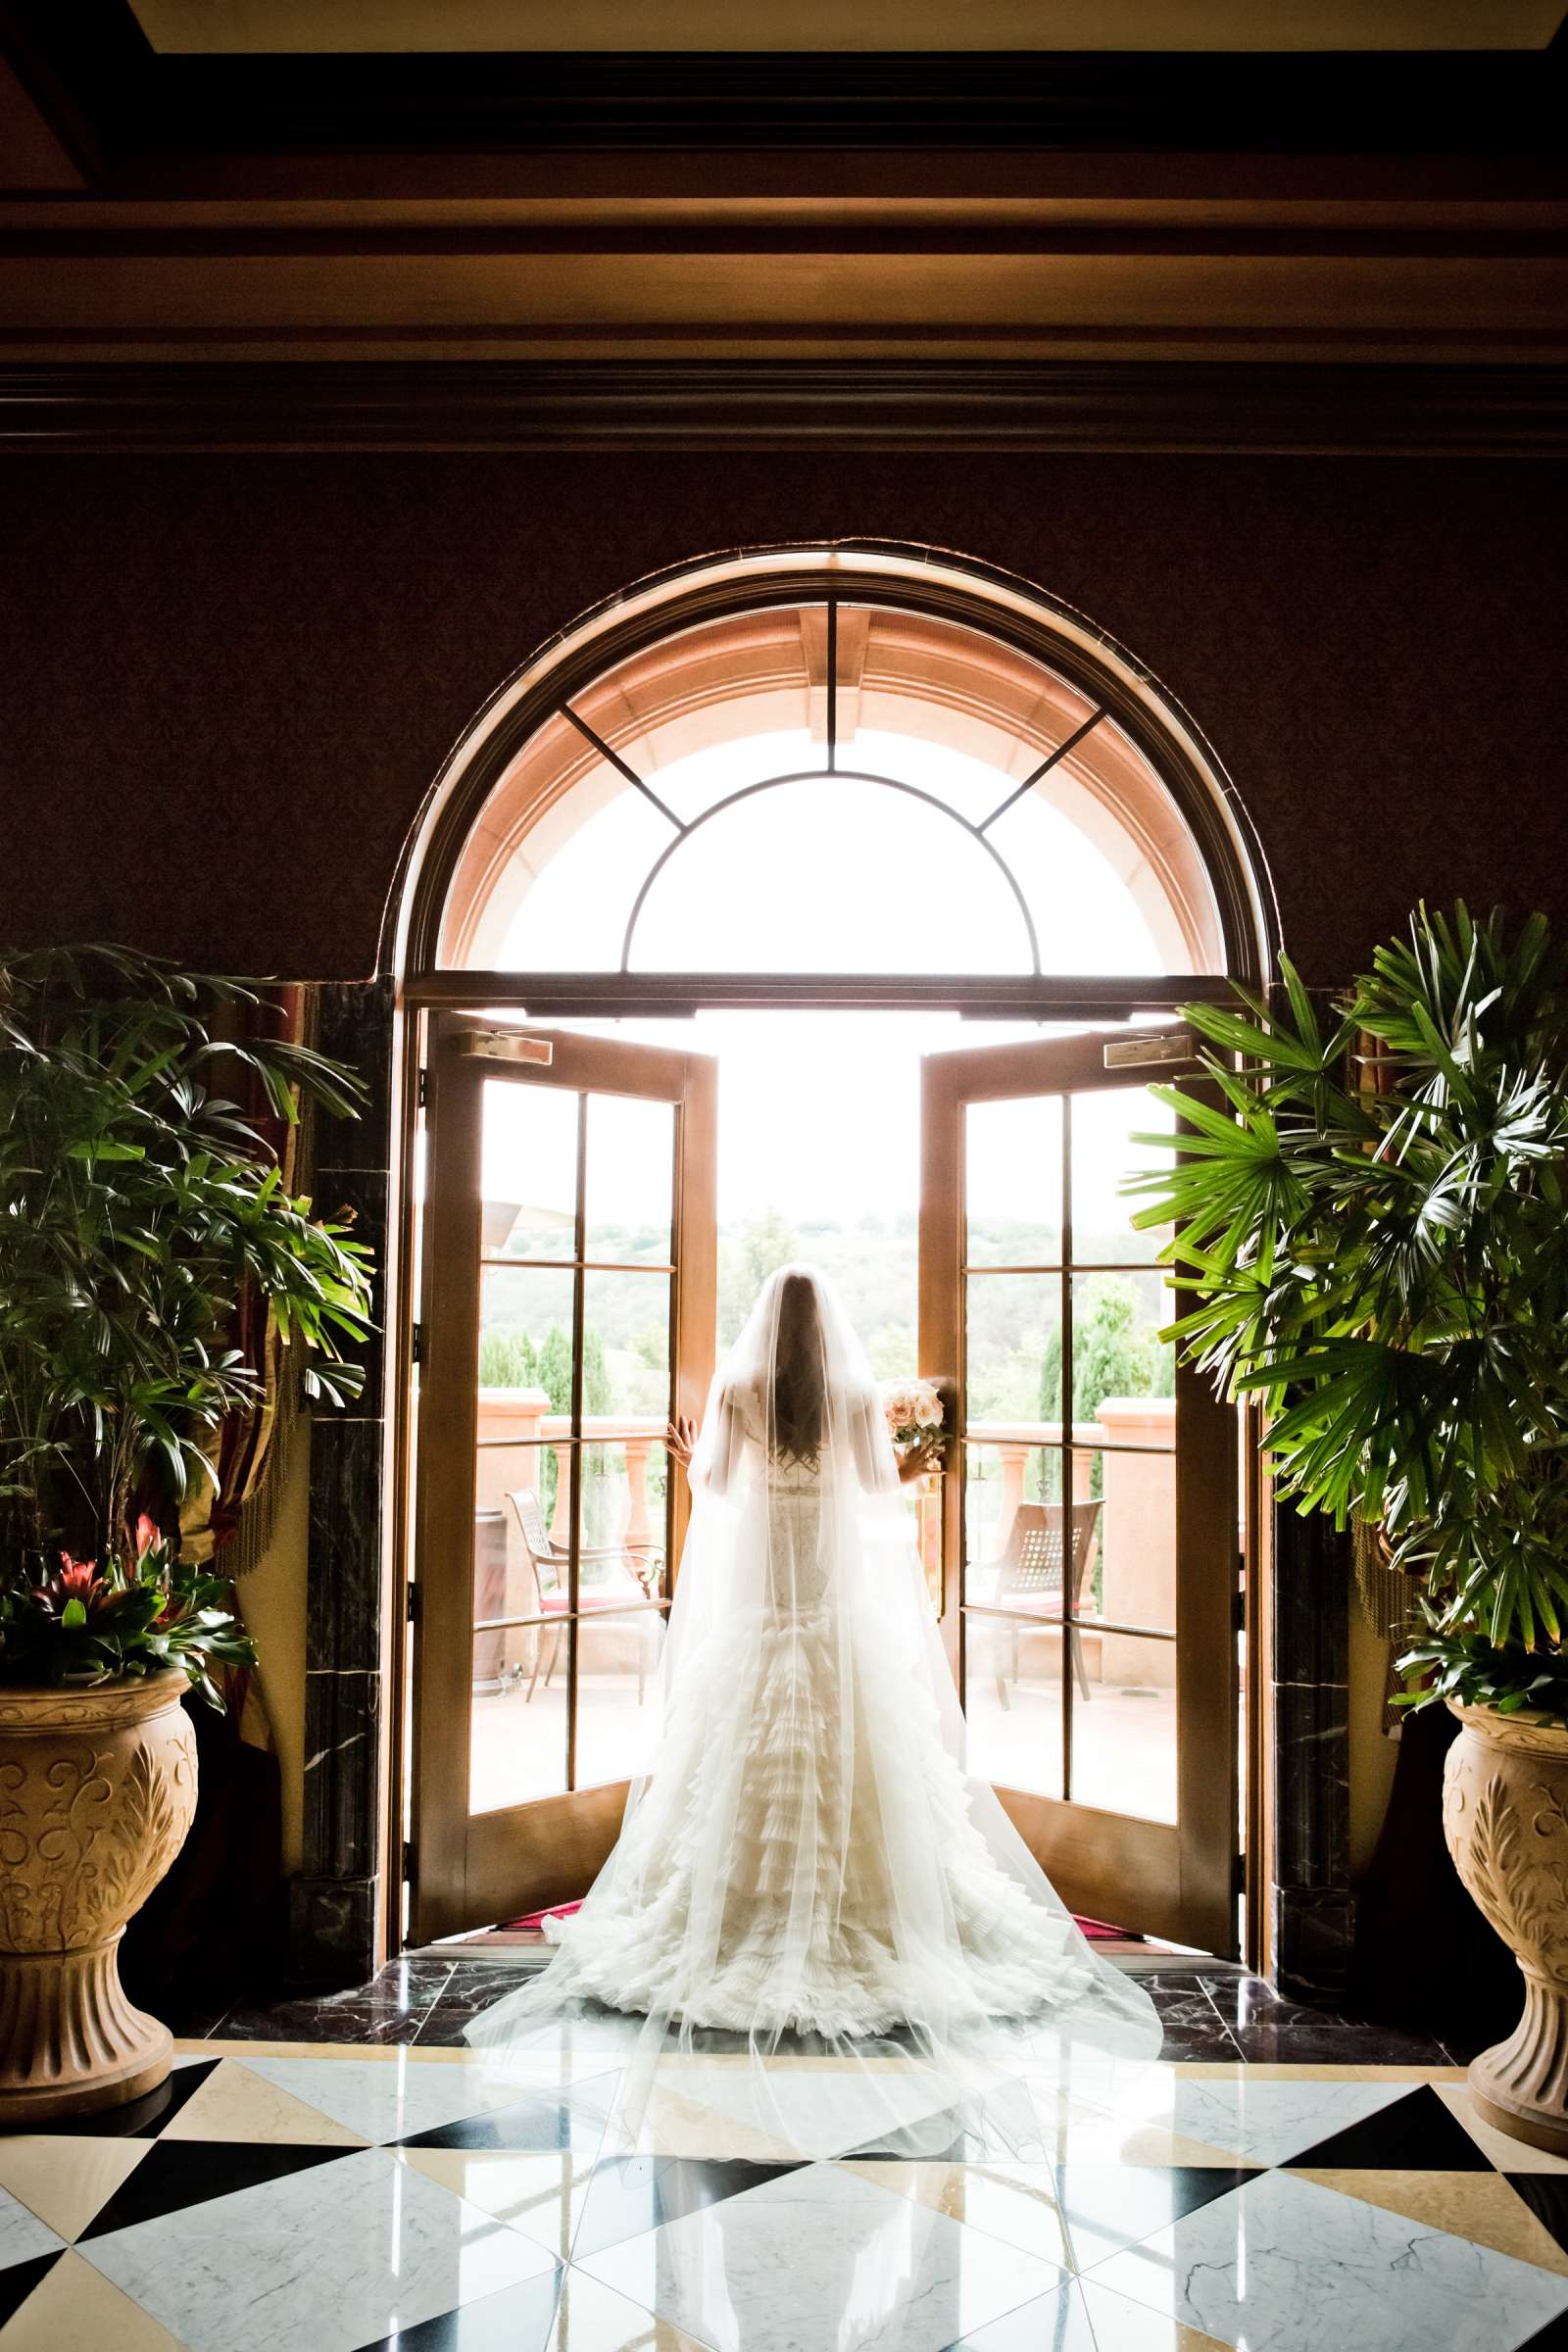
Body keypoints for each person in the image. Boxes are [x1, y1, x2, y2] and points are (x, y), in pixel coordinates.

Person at [466, 1263, 1158, 2158]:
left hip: (760, 1621)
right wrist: (921, 1449)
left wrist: (690, 1462)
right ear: (826, 1326)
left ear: (767, 1324)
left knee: (731, 1775)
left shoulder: (741, 1389)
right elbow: (877, 1486)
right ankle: (860, 1917)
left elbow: (714, 1489)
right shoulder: (853, 1392)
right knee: (865, 1770)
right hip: (834, 1621)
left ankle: (739, 1917)